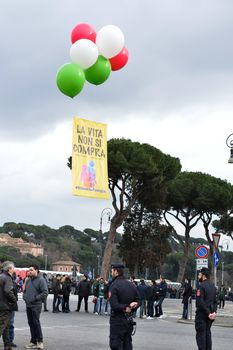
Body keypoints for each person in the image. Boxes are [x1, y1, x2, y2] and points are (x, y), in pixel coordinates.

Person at [109, 263, 140, 350]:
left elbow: (114, 305)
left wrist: (126, 307)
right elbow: (138, 300)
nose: (111, 272)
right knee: (127, 344)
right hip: (128, 320)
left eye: (112, 270)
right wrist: (134, 306)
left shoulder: (114, 285)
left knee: (116, 344)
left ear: (116, 271)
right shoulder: (131, 285)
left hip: (117, 319)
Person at [23, 264, 48, 349]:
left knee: (36, 323)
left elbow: (45, 293)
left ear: (36, 270)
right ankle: (33, 341)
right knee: (31, 323)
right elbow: (25, 290)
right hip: (28, 305)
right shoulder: (28, 280)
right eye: (29, 270)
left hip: (36, 305)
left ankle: (40, 342)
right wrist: (25, 297)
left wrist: (35, 298)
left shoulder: (41, 280)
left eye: (31, 270)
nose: (29, 271)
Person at [195, 267, 217, 350]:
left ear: (203, 275)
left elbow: (200, 302)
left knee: (201, 337)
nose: (198, 276)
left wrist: (208, 313)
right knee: (208, 335)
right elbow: (215, 301)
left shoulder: (201, 286)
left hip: (202, 315)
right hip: (210, 316)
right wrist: (214, 312)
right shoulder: (213, 286)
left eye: (199, 274)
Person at [0, 261, 18, 350]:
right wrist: (14, 300)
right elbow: (8, 291)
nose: (14, 270)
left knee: (6, 326)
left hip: (1, 305)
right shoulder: (7, 278)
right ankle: (7, 345)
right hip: (5, 306)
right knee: (2, 325)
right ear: (9, 269)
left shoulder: (1, 276)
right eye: (13, 268)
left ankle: (7, 346)